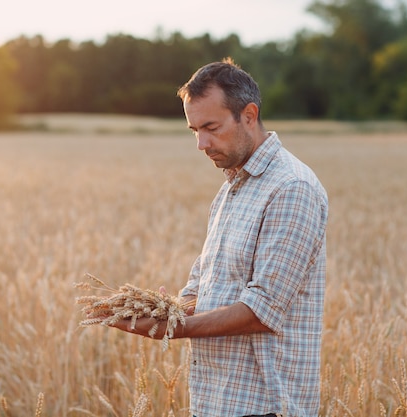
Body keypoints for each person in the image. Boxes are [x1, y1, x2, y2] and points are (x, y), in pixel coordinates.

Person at [111, 58, 328, 417]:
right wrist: (157, 308)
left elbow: (261, 311)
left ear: (249, 115)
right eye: (193, 130)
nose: (201, 143)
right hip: (216, 401)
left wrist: (172, 329)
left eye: (210, 127)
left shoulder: (292, 188)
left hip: (265, 405)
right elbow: (204, 288)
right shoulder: (231, 189)